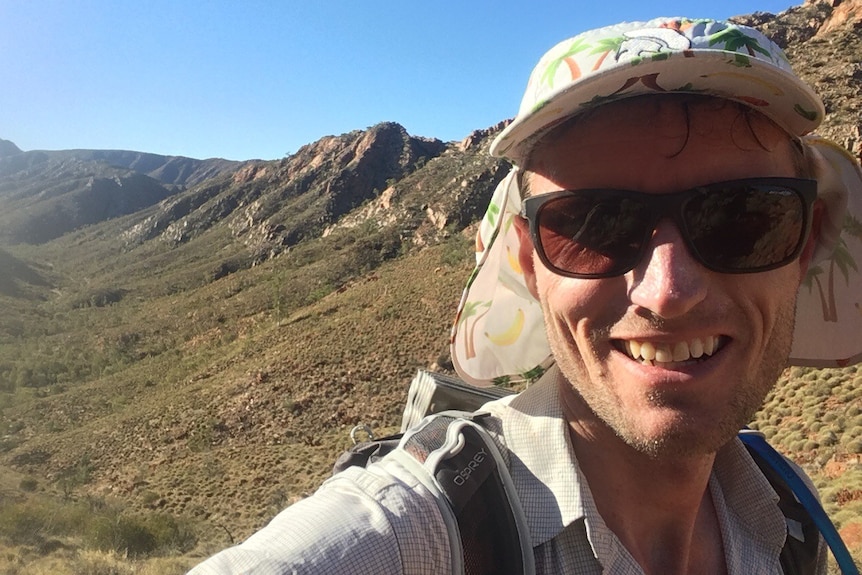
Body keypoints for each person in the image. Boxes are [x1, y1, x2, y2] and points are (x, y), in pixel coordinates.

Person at [189, 17, 862, 574]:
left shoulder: (785, 514)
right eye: (594, 226)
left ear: (805, 244)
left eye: (744, 217)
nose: (668, 290)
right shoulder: (427, 528)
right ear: (528, 264)